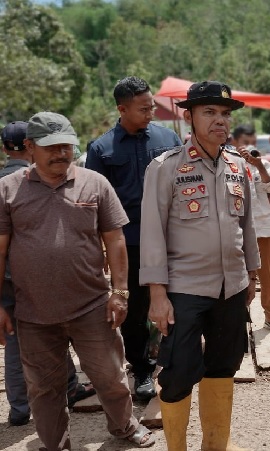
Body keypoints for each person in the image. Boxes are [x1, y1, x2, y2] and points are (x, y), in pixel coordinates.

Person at [0, 112, 155, 449]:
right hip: (33, 313)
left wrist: (120, 291)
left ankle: (124, 427)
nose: (61, 153)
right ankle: (55, 442)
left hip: (92, 308)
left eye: (66, 146)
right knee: (44, 387)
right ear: (29, 148)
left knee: (110, 377)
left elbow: (115, 240)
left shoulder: (94, 183)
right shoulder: (8, 190)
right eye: (51, 147)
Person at [140, 81, 259, 451]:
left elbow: (248, 227)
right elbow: (153, 233)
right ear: (188, 117)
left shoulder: (238, 166)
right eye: (209, 112)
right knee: (177, 374)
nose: (220, 121)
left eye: (225, 114)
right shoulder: (166, 167)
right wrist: (157, 294)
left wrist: (251, 276)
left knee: (224, 366)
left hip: (232, 288)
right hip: (185, 289)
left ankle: (215, 445)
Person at [86, 76, 183, 401]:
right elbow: (97, 202)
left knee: (179, 298)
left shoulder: (167, 137)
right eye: (143, 108)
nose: (151, 112)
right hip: (130, 244)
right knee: (135, 307)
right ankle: (141, 368)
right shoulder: (101, 149)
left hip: (172, 239)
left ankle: (171, 360)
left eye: (152, 105)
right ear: (122, 109)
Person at [0, 121, 96, 426]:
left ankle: (19, 409)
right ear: (30, 147)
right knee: (57, 330)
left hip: (10, 281)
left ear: (5, 148)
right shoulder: (27, 182)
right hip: (39, 278)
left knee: (17, 342)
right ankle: (68, 388)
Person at [233, 124, 270, 334]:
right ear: (235, 142)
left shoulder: (262, 163)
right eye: (245, 142)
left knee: (267, 275)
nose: (249, 146)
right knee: (237, 276)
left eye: (251, 141)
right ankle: (238, 319)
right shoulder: (228, 164)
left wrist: (259, 165)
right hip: (237, 229)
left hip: (262, 227)